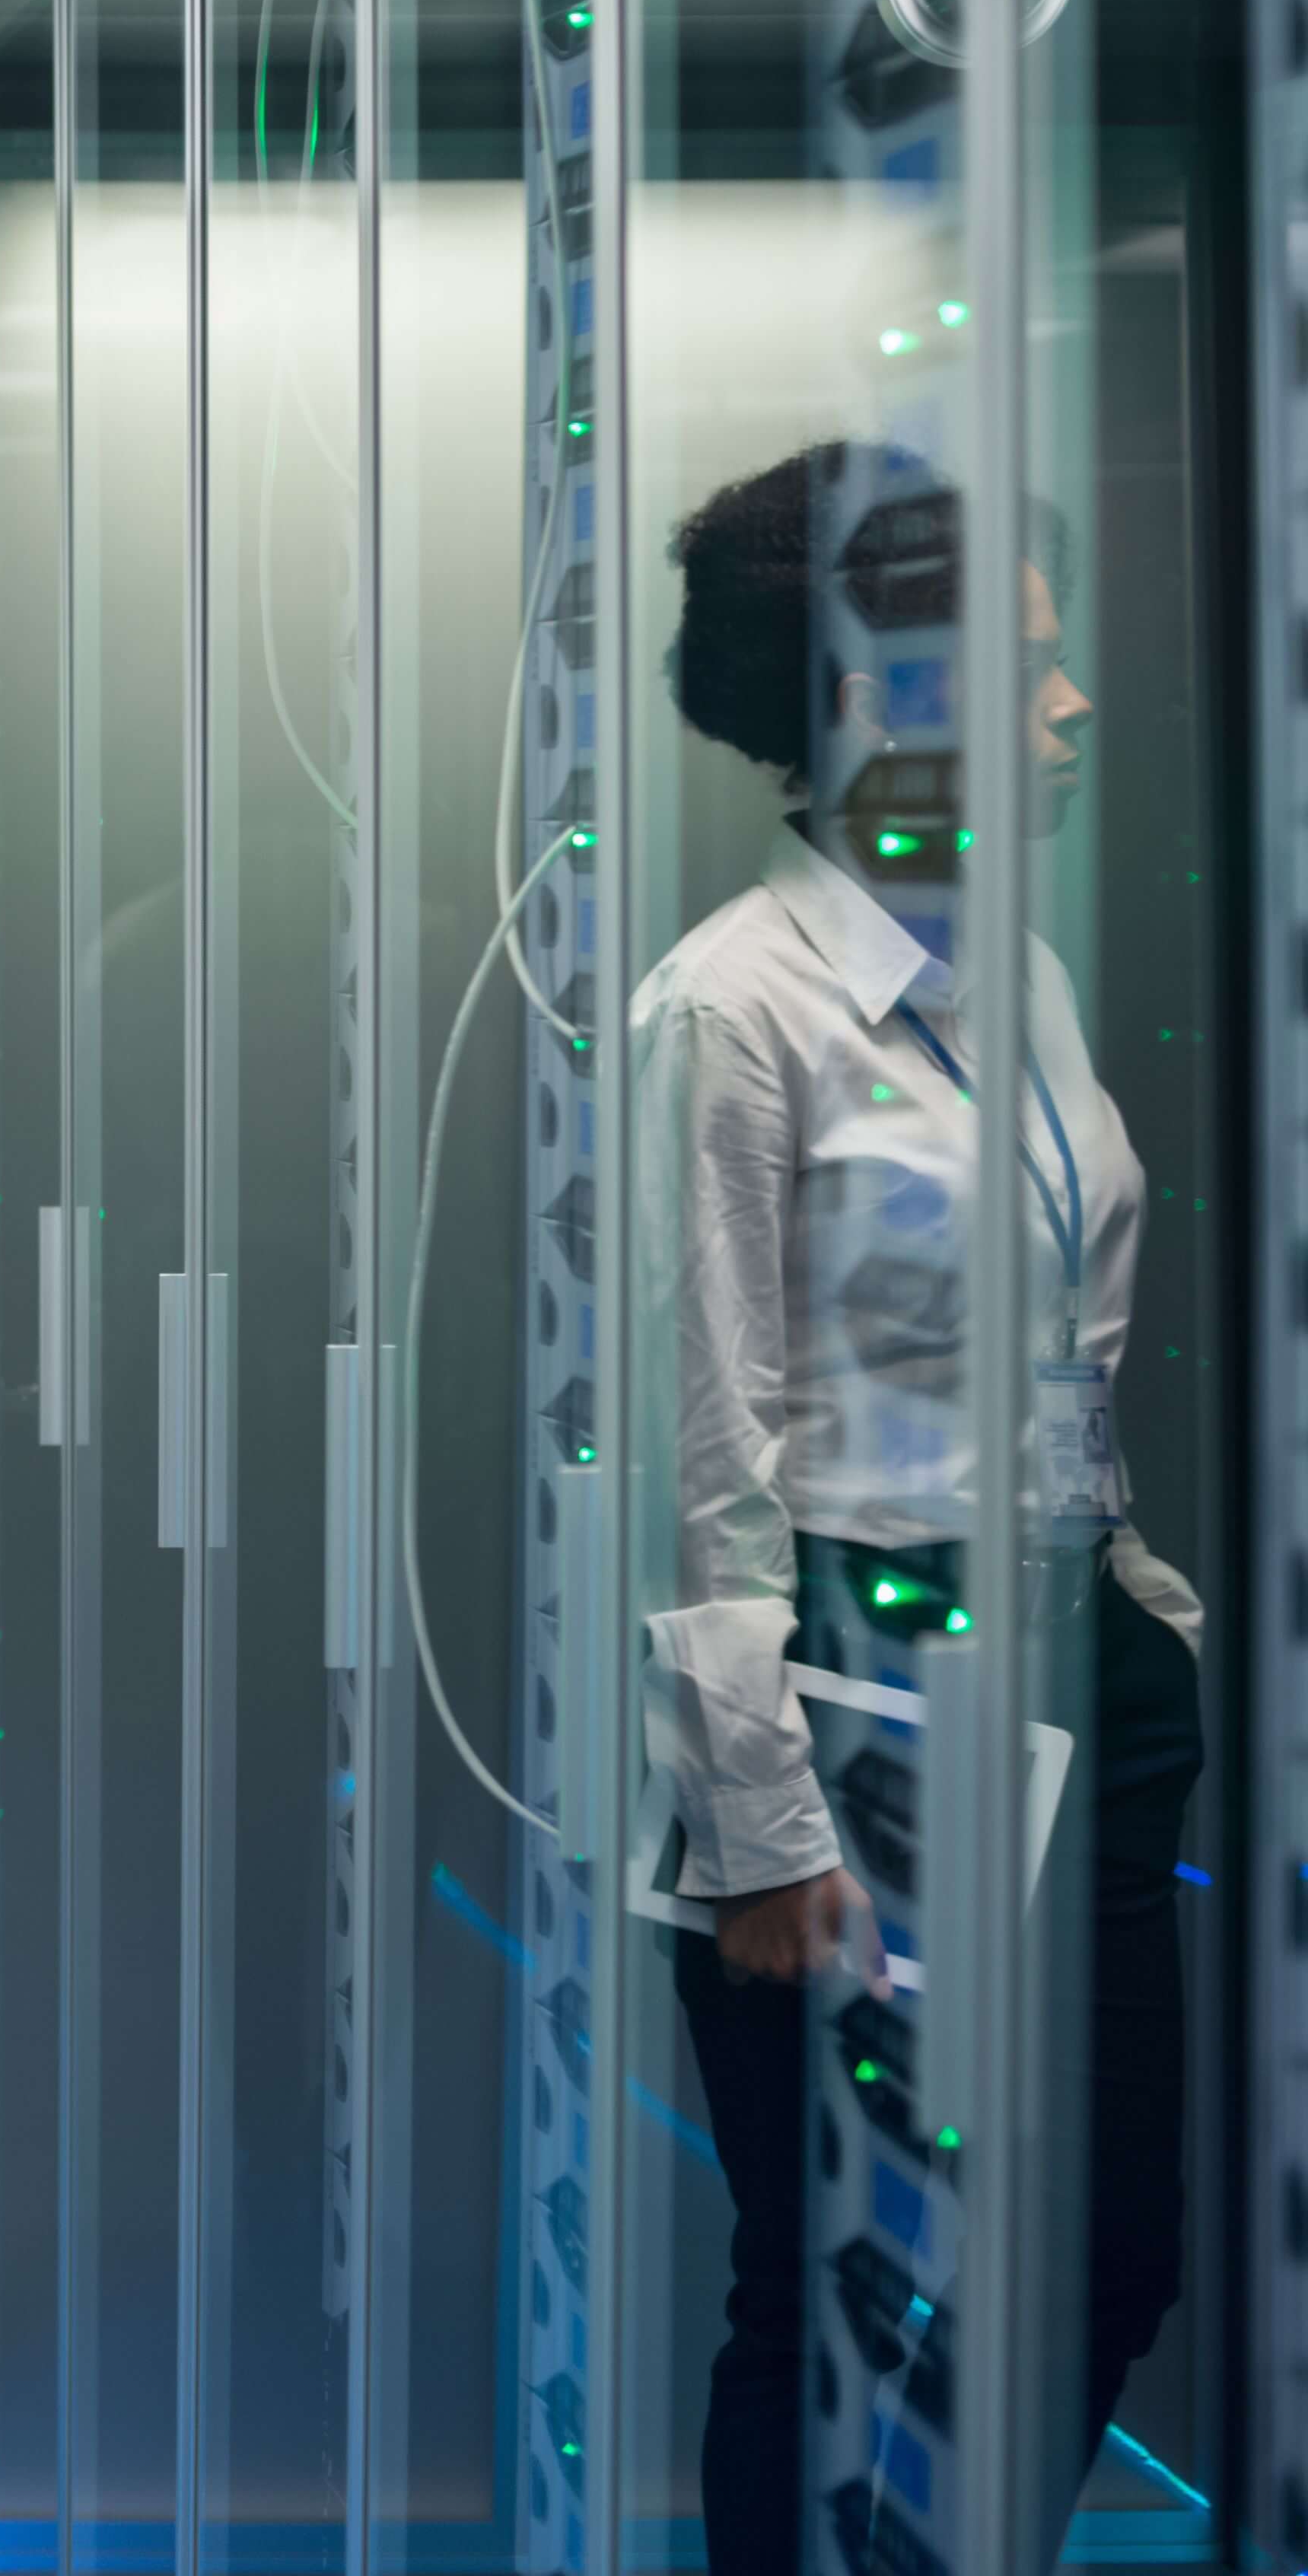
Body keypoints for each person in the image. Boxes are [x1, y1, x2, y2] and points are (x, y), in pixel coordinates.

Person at [632, 442, 1202, 2575]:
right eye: (1025, 669)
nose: (1069, 711)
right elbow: (706, 1446)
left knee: (1105, 2249)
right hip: (852, 1692)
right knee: (840, 2284)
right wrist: (761, 1825)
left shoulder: (1014, 976)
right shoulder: (737, 1006)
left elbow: (1058, 1338)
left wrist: (1136, 1602)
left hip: (1074, 1667)